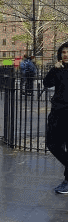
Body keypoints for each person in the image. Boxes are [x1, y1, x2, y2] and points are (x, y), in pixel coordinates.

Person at [45, 42, 68, 194]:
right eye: (63, 52)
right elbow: (47, 83)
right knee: (52, 143)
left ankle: (67, 181)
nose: (65, 54)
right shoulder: (58, 69)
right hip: (57, 112)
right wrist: (54, 69)